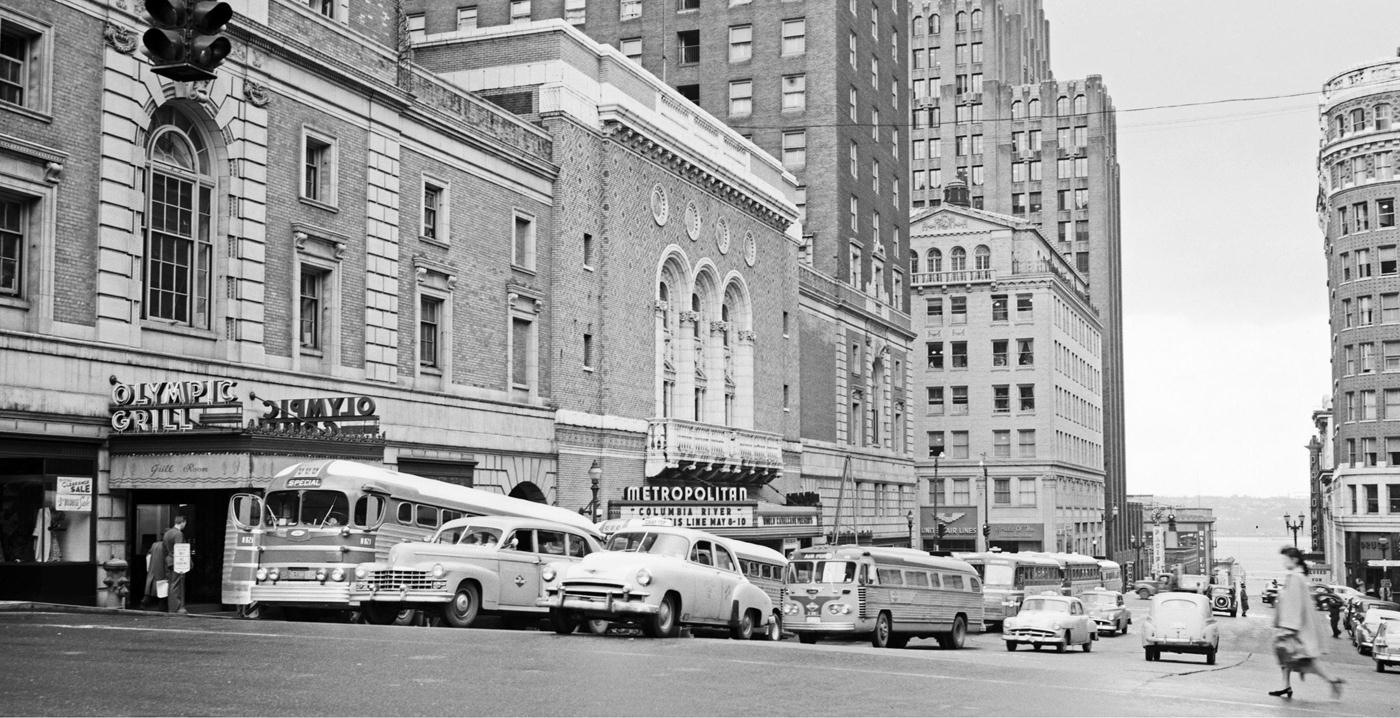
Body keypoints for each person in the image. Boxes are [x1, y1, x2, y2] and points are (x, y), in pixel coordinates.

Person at [1270, 546, 1343, 700]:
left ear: (1294, 559)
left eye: (1285, 559)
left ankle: (1333, 681)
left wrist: (1288, 627)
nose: (1283, 562)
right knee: (1287, 656)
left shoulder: (1295, 578)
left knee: (1305, 660)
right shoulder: (1298, 576)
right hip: (1299, 625)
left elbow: (1294, 604)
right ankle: (1286, 686)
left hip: (1296, 627)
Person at [163, 516, 188, 615]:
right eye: (185, 523)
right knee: (177, 585)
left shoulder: (167, 533)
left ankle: (172, 607)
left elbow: (165, 548)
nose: (185, 525)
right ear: (182, 522)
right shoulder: (178, 534)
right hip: (177, 562)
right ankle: (176, 608)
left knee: (172, 584)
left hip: (169, 560)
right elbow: (180, 549)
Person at [143, 539, 167, 611]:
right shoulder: (165, 546)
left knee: (150, 589)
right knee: (163, 589)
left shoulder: (154, 545)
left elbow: (148, 556)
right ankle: (162, 607)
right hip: (161, 569)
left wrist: (148, 568)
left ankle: (144, 603)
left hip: (152, 569)